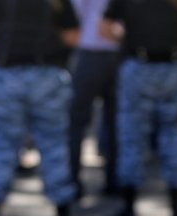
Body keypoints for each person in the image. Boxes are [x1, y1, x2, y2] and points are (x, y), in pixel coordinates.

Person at [100, 0, 177, 216]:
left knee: (132, 136)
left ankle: (128, 208)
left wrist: (127, 38)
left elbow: (104, 30)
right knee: (172, 133)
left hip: (137, 65)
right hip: (174, 67)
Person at [0, 0, 80, 216]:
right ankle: (63, 213)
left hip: (8, 75)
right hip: (46, 75)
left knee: (1, 144)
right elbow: (72, 35)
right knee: (53, 144)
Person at [68, 0, 121, 200]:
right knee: (112, 121)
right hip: (105, 54)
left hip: (93, 55)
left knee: (78, 122)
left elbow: (73, 18)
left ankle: (74, 180)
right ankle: (112, 180)